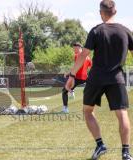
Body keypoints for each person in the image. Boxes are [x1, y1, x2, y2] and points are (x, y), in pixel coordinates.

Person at [65, 0, 133, 159]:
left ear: (101, 12)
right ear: (114, 12)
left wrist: (72, 75)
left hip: (96, 78)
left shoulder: (96, 31)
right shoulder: (125, 31)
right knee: (122, 113)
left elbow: (83, 55)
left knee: (87, 111)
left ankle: (100, 144)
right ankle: (126, 152)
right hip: (117, 78)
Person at [62, 43, 92, 113]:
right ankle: (72, 91)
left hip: (77, 77)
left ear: (79, 47)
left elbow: (75, 67)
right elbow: (90, 66)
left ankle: (65, 109)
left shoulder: (77, 55)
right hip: (84, 78)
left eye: (74, 48)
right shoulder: (87, 57)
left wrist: (67, 73)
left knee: (64, 91)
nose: (74, 50)